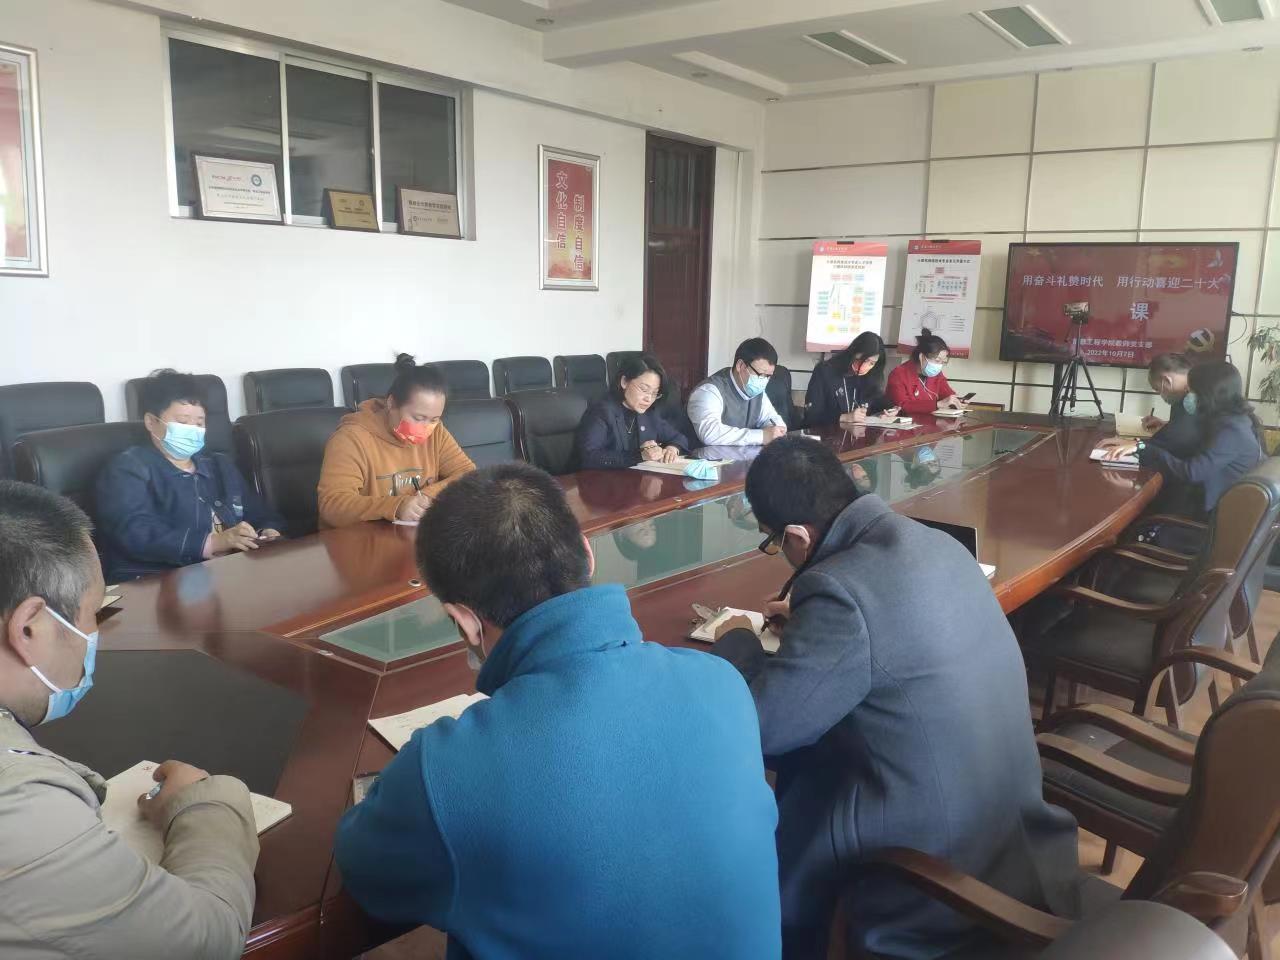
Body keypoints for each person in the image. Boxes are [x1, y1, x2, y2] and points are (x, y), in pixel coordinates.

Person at [334, 463, 781, 959]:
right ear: (588, 554)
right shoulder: (721, 683)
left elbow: (363, 870)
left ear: (463, 621)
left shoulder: (446, 768)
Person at [712, 437, 1080, 959]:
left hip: (934, 876)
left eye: (774, 542)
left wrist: (738, 641)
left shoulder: (840, 591)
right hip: (1012, 836)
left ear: (796, 536)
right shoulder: (936, 543)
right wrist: (812, 627)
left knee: (755, 829)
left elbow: (767, 728)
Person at [0, 480, 258, 959]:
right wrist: (206, 806)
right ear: (30, 627)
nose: (94, 633)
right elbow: (205, 940)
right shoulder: (19, 807)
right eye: (94, 613)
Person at [96, 370, 285, 583]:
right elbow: (134, 532)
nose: (192, 430)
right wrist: (212, 543)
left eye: (199, 423)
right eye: (183, 421)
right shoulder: (127, 468)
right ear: (151, 421)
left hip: (227, 574)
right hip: (157, 581)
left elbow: (260, 513)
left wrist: (267, 530)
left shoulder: (219, 465)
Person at [317, 353, 476, 528]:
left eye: (433, 419)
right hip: (359, 538)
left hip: (412, 535)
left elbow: (468, 473)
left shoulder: (436, 433)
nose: (426, 428)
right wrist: (396, 506)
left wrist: (426, 497)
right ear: (391, 403)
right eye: (418, 418)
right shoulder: (351, 438)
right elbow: (332, 505)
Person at [1103, 361, 1265, 516]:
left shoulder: (1232, 431)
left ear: (1208, 394)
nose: (1189, 396)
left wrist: (1142, 447)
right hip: (1207, 501)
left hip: (1208, 515)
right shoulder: (1233, 420)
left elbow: (1191, 472)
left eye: (1192, 391)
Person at [575, 353, 691, 469]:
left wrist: (673, 448)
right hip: (601, 478)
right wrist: (639, 456)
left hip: (635, 477)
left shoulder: (649, 414)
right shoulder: (601, 412)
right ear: (624, 382)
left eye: (654, 393)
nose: (648, 399)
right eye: (644, 389)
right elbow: (589, 457)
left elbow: (678, 437)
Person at [687, 337, 788, 446]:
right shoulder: (708, 391)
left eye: (768, 376)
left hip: (738, 455)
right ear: (740, 366)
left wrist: (774, 431)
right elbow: (709, 433)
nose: (764, 380)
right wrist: (762, 436)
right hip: (702, 455)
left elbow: (772, 419)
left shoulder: (756, 391)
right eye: (761, 374)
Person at [803, 331, 899, 427]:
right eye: (862, 360)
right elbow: (811, 415)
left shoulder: (870, 377)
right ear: (853, 353)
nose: (864, 367)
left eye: (871, 363)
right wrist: (844, 417)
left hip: (857, 434)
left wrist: (889, 411)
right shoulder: (825, 371)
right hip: (825, 433)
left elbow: (880, 404)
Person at [884, 329, 967, 415]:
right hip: (904, 420)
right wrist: (937, 404)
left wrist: (957, 401)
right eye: (937, 360)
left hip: (929, 420)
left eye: (943, 362)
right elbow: (902, 405)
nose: (939, 365)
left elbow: (947, 394)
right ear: (922, 357)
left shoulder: (936, 374)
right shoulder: (898, 374)